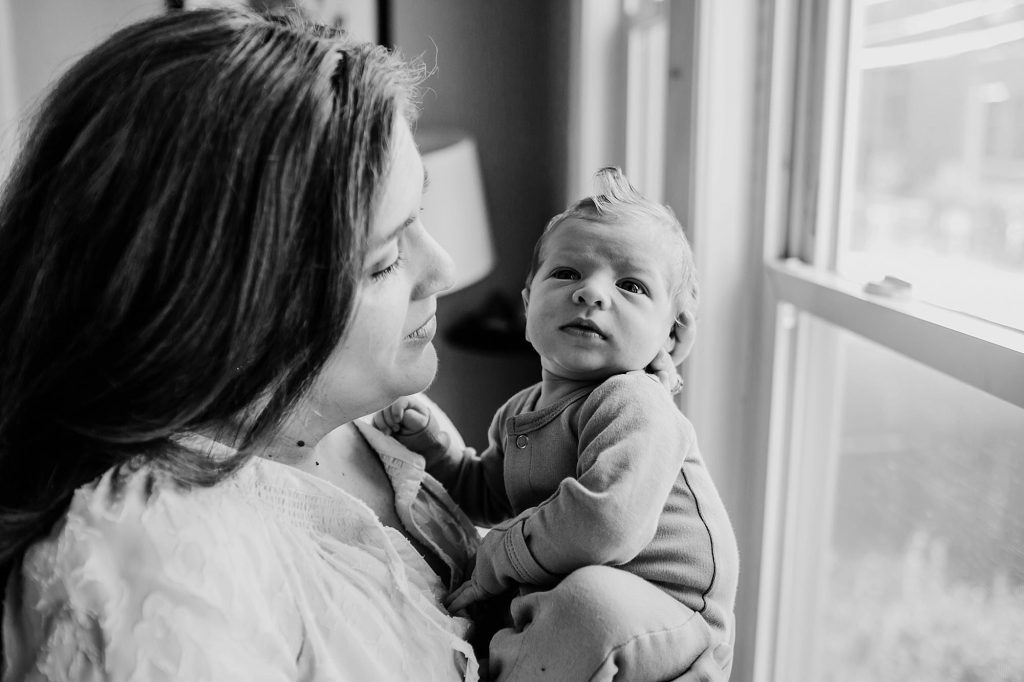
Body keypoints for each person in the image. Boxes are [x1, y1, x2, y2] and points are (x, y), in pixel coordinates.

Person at [0, 8, 729, 682]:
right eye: (385, 259)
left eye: (422, 214)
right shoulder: (155, 578)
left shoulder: (368, 422)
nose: (442, 267)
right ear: (228, 312)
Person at [375, 168, 739, 679]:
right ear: (527, 307)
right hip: (577, 605)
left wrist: (499, 552)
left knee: (590, 606)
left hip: (670, 615)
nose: (592, 293)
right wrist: (441, 454)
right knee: (533, 608)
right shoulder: (521, 411)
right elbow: (495, 493)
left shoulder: (636, 402)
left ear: (671, 340)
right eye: (567, 273)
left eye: (631, 285)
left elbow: (605, 524)